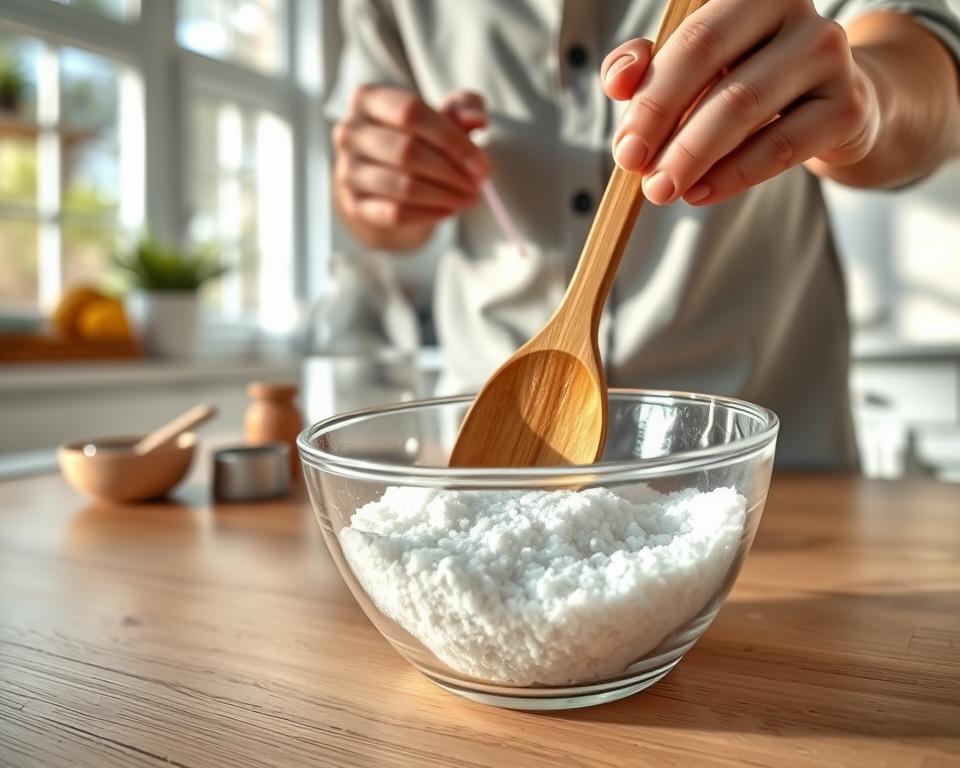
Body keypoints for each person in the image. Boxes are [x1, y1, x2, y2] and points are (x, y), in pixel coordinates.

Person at [325, 0, 960, 469]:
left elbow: (925, 55)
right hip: (496, 464)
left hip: (768, 477)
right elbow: (373, 220)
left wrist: (867, 102)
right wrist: (376, 189)